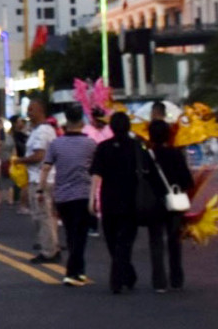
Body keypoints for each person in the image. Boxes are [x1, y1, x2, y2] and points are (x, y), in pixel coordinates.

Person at [90, 111, 163, 294]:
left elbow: (96, 174)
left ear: (111, 127)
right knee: (125, 242)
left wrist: (92, 198)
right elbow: (151, 174)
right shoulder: (138, 147)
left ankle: (118, 279)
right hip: (132, 201)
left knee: (112, 241)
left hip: (109, 201)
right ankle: (126, 275)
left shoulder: (103, 147)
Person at [47, 106, 98, 285]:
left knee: (70, 233)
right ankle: (72, 271)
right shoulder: (90, 144)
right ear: (82, 122)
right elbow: (96, 169)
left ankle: (78, 270)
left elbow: (47, 166)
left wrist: (41, 189)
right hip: (83, 194)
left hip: (62, 195)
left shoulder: (56, 143)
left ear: (65, 121)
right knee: (80, 234)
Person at [148, 118, 194, 290]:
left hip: (153, 203)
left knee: (156, 241)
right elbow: (188, 181)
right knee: (174, 240)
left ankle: (159, 281)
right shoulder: (176, 154)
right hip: (174, 202)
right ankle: (176, 278)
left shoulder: (148, 156)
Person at [23, 100, 60, 263]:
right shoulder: (38, 130)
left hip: (41, 179)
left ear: (41, 111)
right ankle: (51, 246)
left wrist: (20, 161)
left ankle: (49, 251)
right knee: (45, 215)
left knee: (42, 215)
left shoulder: (43, 131)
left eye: (32, 110)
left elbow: (39, 155)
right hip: (40, 177)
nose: (29, 113)